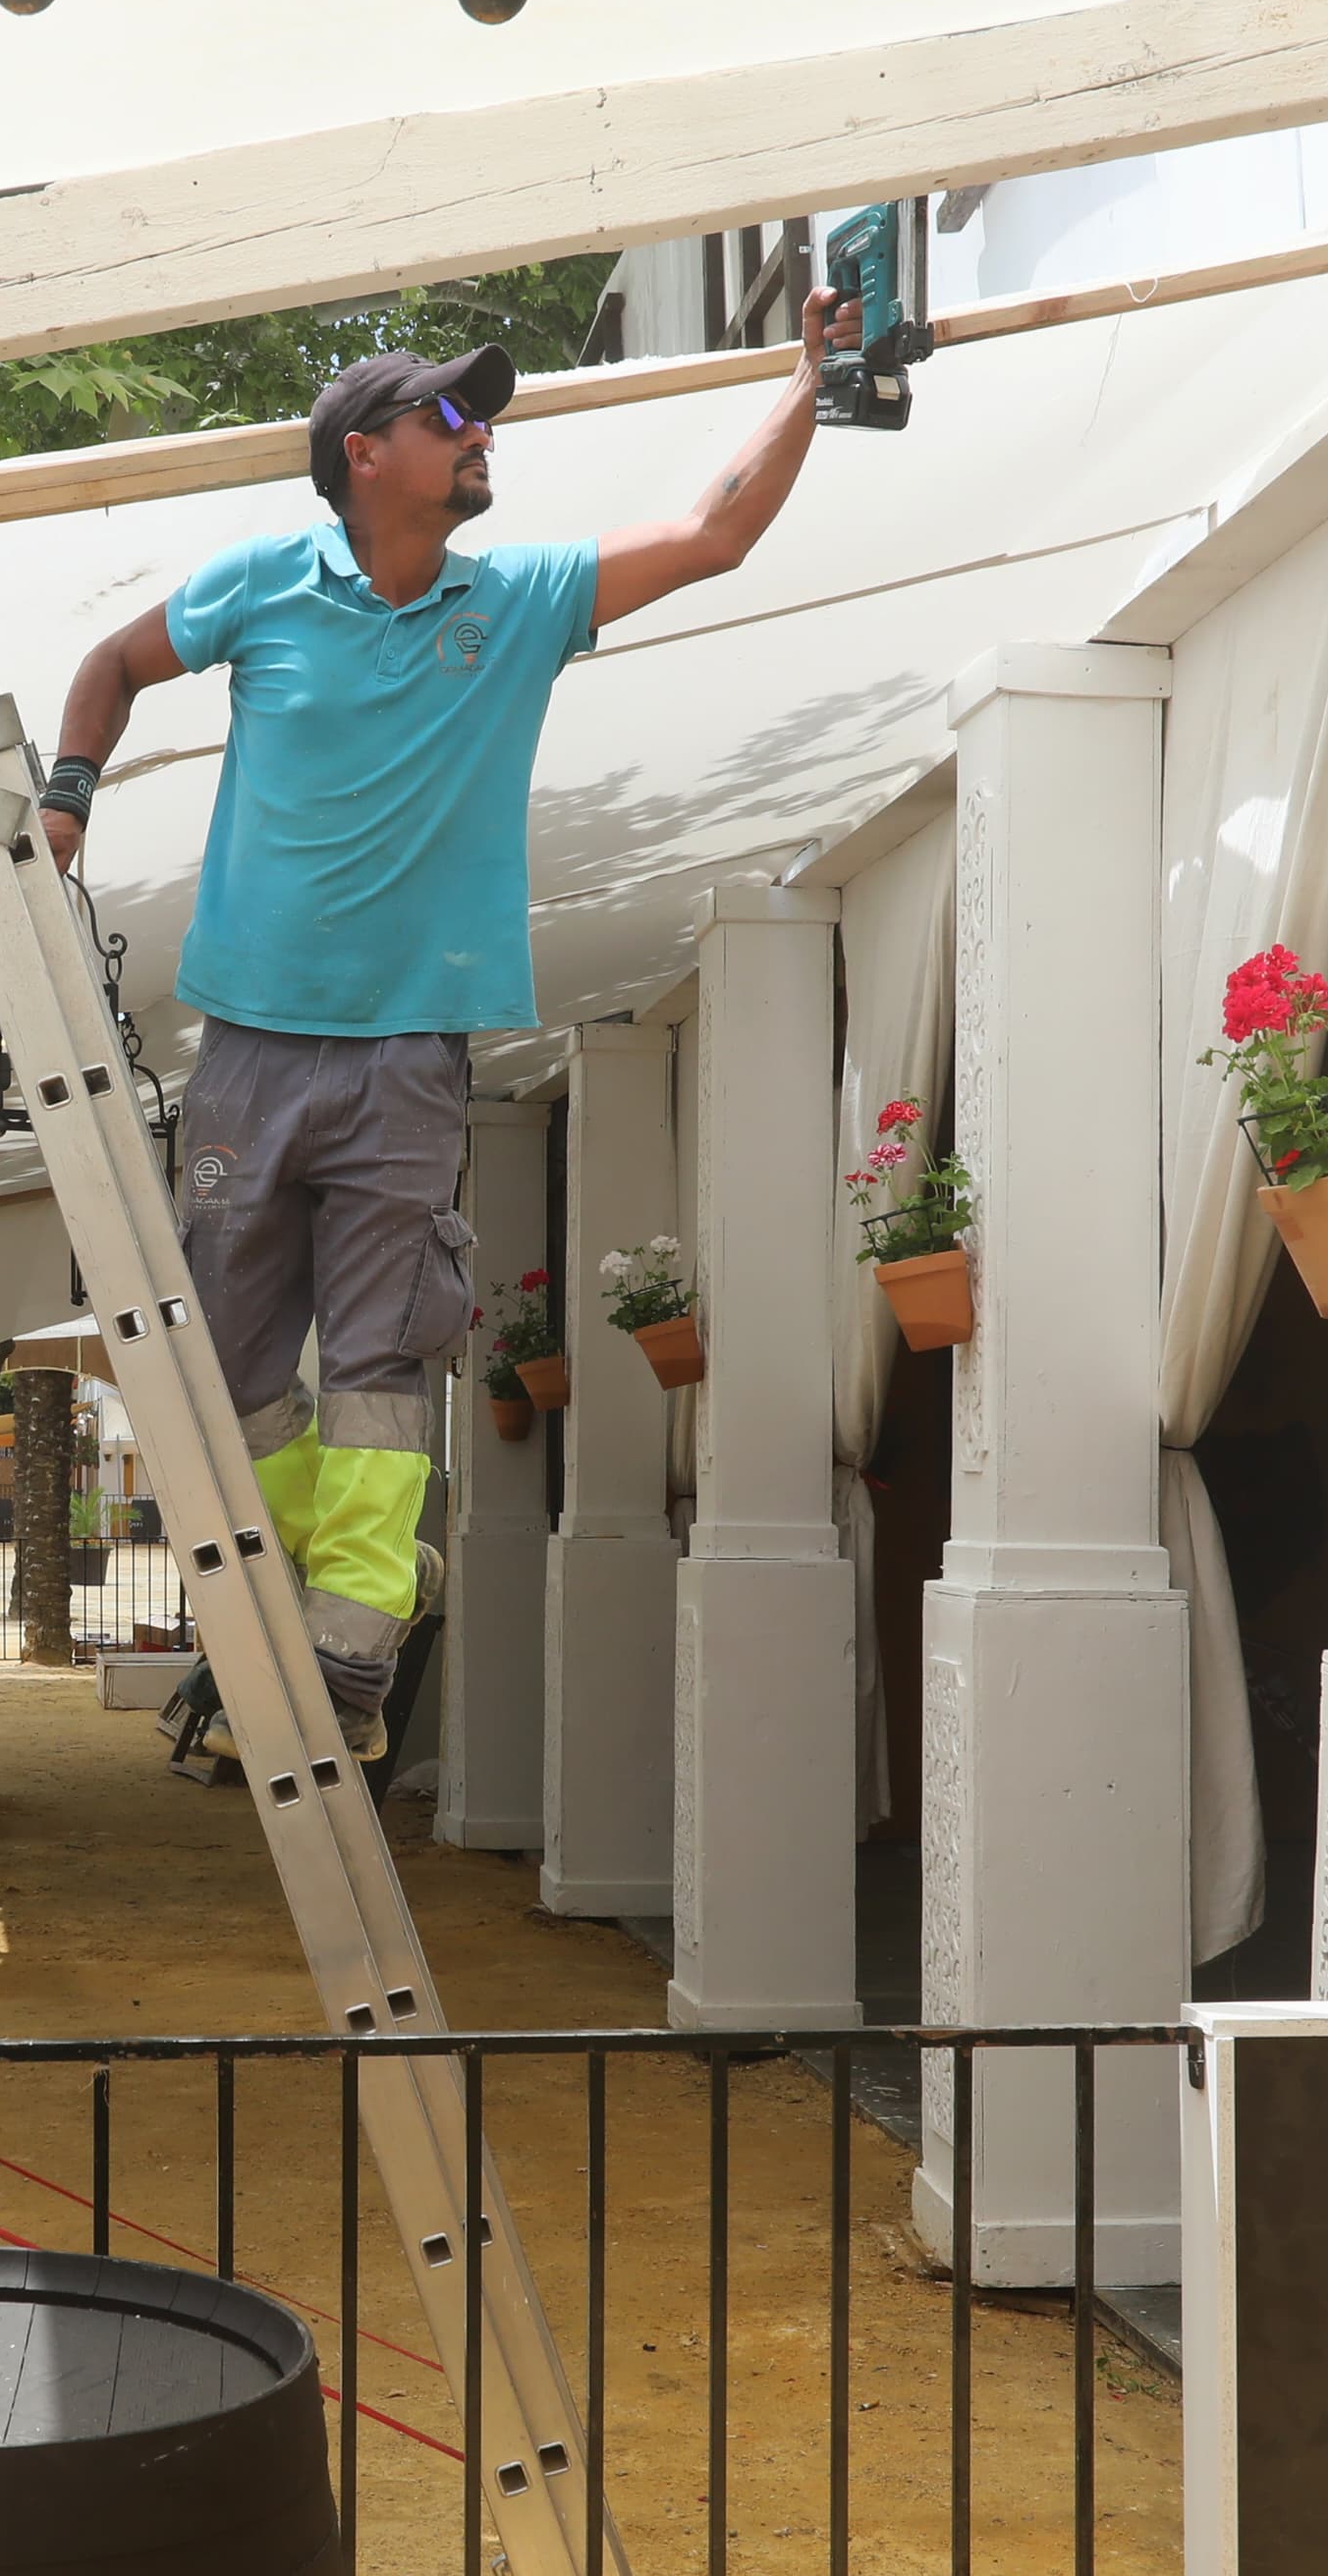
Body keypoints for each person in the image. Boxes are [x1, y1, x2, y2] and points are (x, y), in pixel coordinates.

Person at [45, 291, 861, 1755]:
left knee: (376, 1375)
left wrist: (812, 378)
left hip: (415, 1059)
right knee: (221, 1385)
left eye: (482, 414)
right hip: (248, 1050)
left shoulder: (521, 599)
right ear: (364, 453)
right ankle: (374, 1568)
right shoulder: (260, 584)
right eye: (449, 416)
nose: (482, 434)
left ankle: (352, 1657)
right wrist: (65, 800)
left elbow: (712, 535)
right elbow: (109, 669)